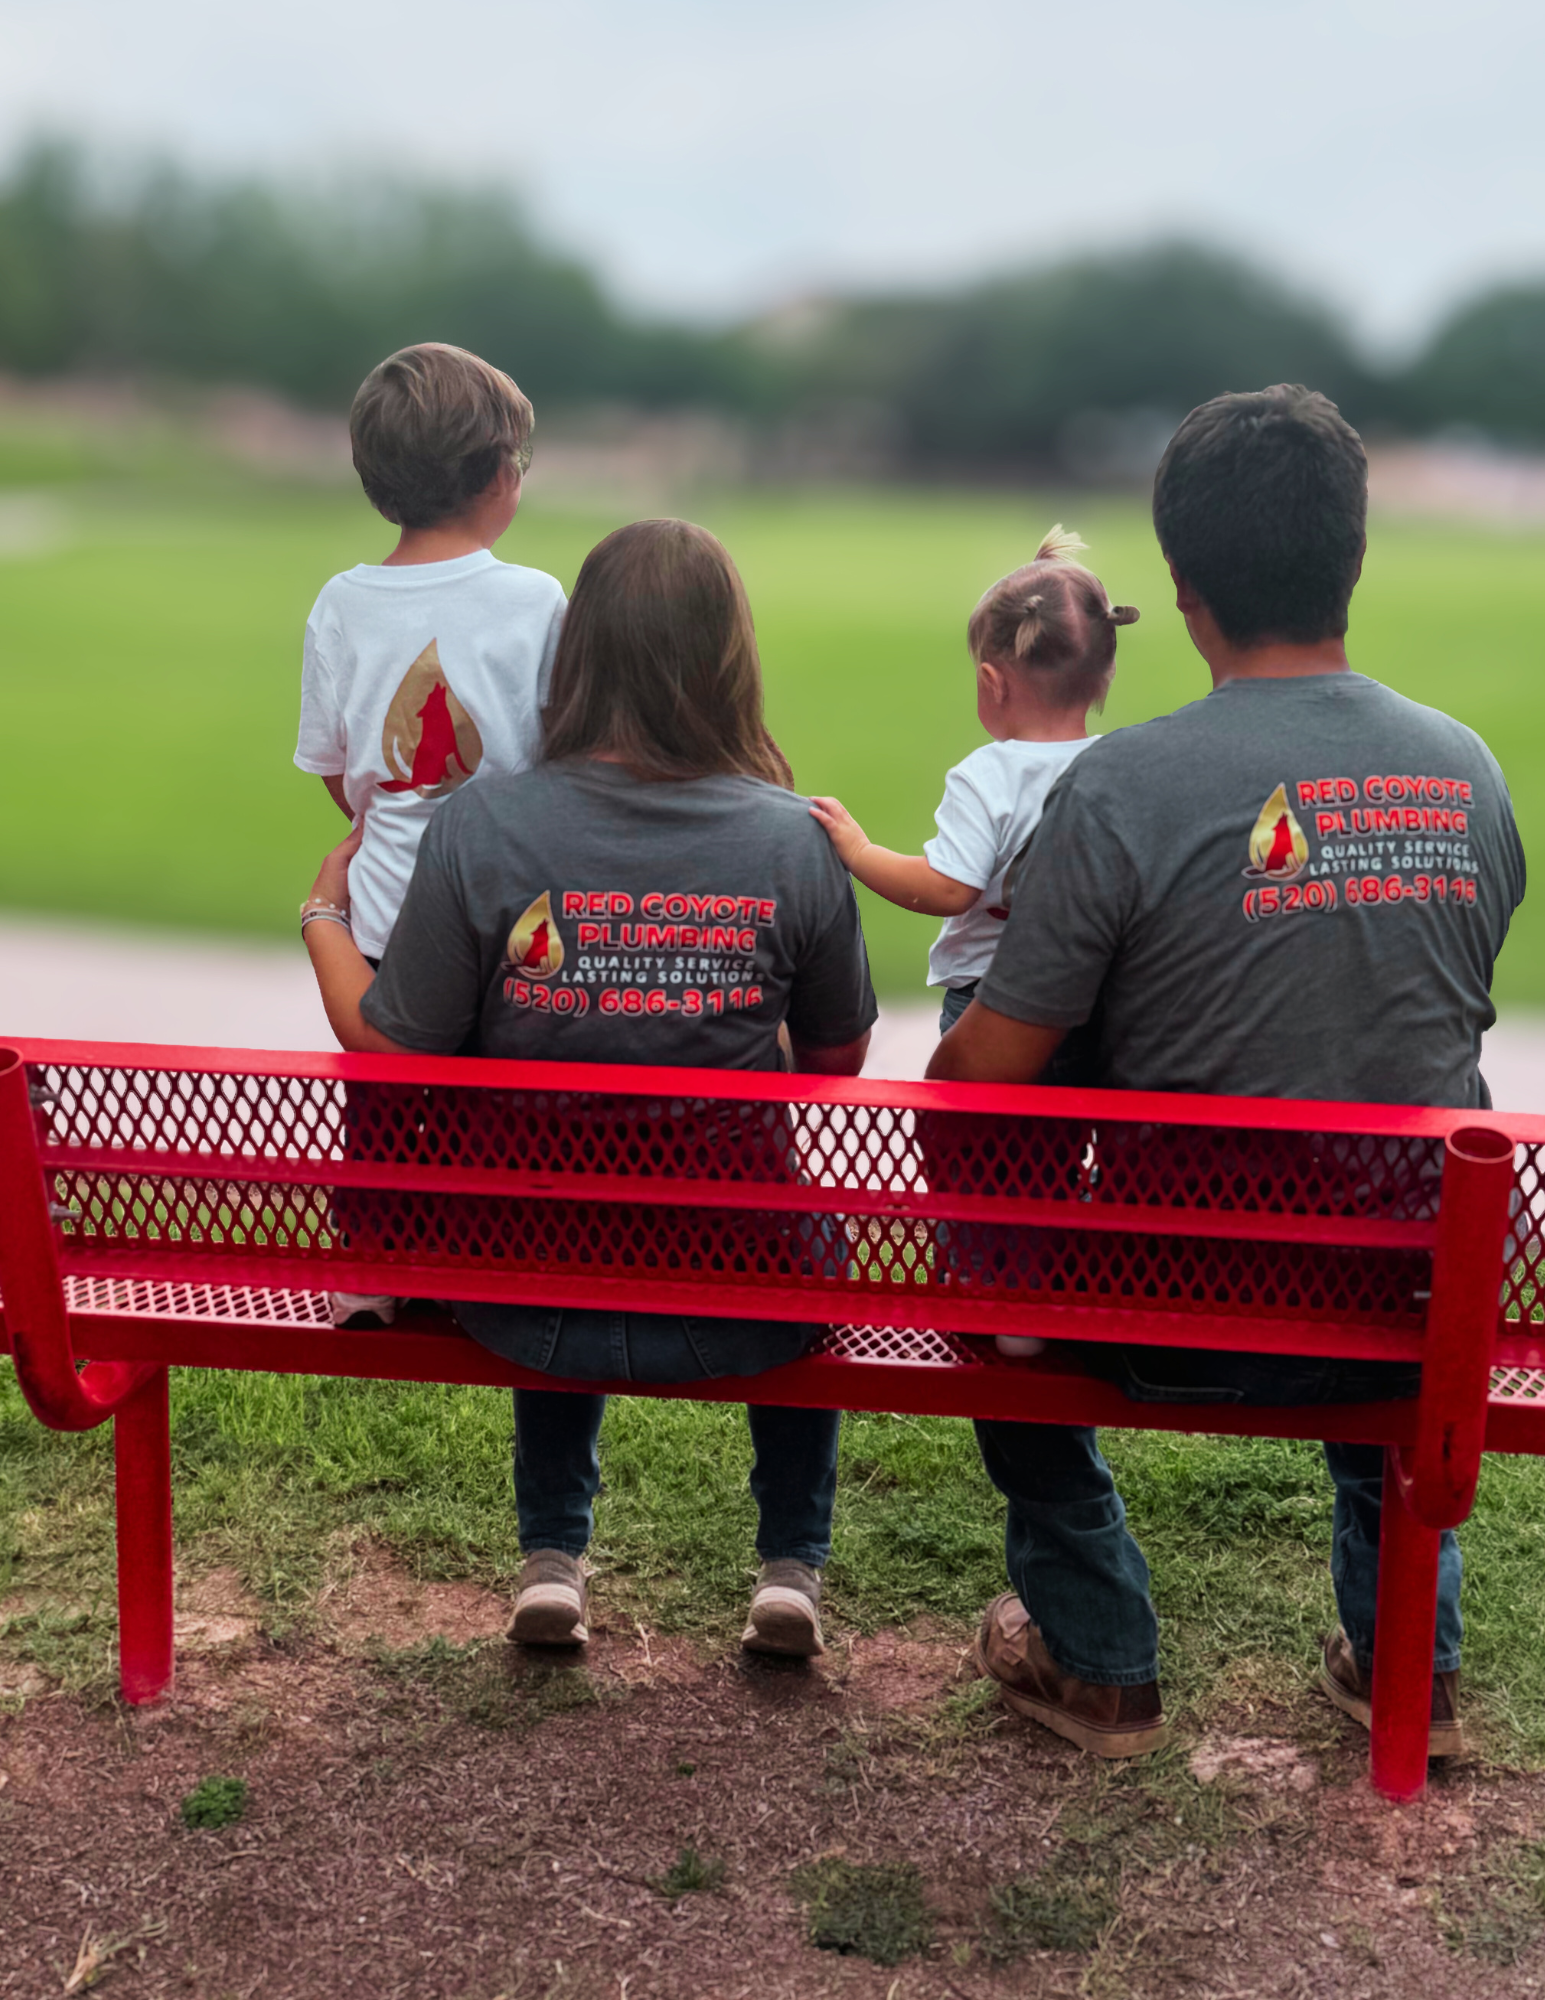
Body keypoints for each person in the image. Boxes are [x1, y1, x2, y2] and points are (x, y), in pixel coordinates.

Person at [928, 384, 1526, 1761]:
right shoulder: (1466, 771)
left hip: (1164, 1306)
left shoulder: (1121, 787)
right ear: (1354, 560)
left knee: (991, 1238)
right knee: (1378, 1208)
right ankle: (1403, 1673)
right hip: (1399, 1296)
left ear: (1183, 591)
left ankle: (1100, 1663)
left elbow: (985, 1078)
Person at [302, 517, 877, 1659]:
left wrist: (323, 917)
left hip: (524, 1288)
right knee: (784, 1215)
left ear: (576, 659)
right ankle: (789, 1564)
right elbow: (837, 1060)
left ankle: (552, 1554)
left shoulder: (480, 824)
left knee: (560, 1178)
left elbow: (397, 1046)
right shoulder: (792, 839)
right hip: (744, 1290)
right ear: (728, 659)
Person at [295, 341, 567, 1329]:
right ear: (500, 476)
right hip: (511, 901)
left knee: (385, 1102)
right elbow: (559, 756)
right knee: (499, 1084)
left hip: (383, 900)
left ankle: (372, 1265)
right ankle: (496, 1253)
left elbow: (335, 767)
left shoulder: (342, 601)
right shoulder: (535, 598)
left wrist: (386, 810)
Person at [808, 526, 1138, 1038]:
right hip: (1090, 999)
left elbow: (947, 888)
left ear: (992, 682)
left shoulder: (988, 777)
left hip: (988, 1003)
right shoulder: (1118, 767)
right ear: (1107, 672)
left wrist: (859, 851)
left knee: (981, 1120)